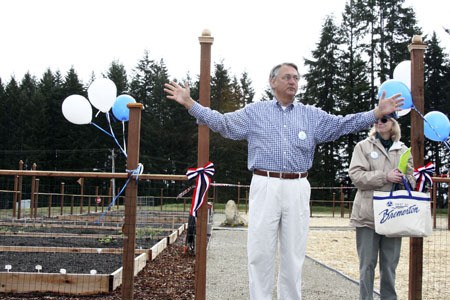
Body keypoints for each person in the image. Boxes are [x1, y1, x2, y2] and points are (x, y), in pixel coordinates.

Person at [164, 62, 403, 300]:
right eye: (287, 77)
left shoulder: (311, 115)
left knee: (294, 253)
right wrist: (191, 104)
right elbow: (224, 123)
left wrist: (375, 113)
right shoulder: (255, 112)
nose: (293, 82)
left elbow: (342, 124)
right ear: (273, 82)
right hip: (265, 183)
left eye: (296, 78)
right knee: (260, 251)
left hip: (298, 186)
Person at [348, 112, 415, 300]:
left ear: (393, 123)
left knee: (389, 266)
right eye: (376, 120)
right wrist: (385, 176)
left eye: (384, 120)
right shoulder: (362, 147)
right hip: (368, 216)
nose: (379, 123)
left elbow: (411, 178)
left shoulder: (403, 150)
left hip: (393, 216)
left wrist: (407, 179)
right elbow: (356, 176)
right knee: (367, 266)